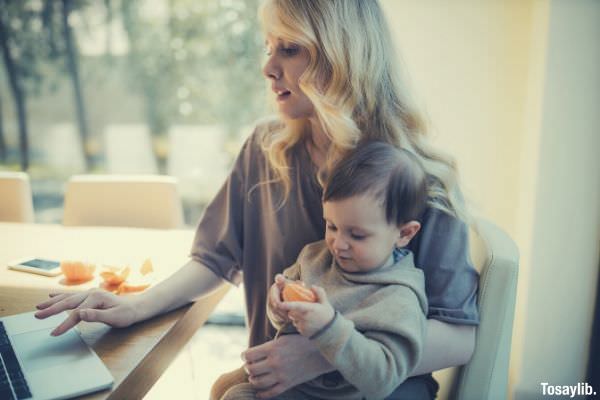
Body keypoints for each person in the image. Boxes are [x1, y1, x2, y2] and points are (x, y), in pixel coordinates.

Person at [34, 1, 479, 399]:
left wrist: (321, 354)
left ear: (342, 56)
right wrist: (136, 305)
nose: (268, 68)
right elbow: (215, 259)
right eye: (269, 47)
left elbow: (459, 336)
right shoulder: (267, 149)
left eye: (290, 49)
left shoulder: (420, 176)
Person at [221, 141, 429, 400]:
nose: (337, 244)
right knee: (226, 390)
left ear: (404, 233)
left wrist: (329, 328)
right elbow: (284, 321)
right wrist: (277, 307)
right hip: (292, 384)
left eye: (357, 235)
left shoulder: (398, 297)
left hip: (333, 396)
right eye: (331, 226)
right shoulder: (315, 256)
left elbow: (382, 379)